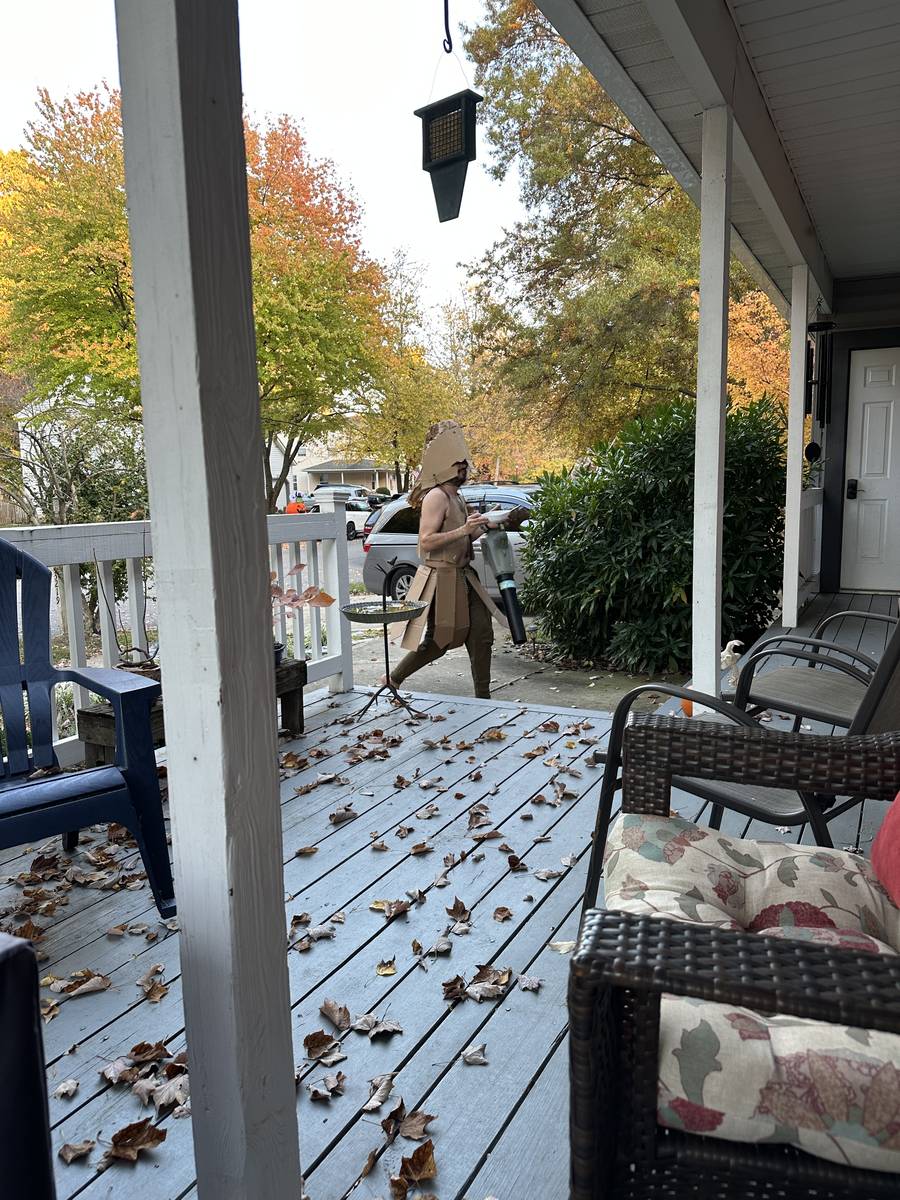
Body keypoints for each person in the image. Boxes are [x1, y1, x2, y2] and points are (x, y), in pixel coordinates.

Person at [386, 420, 507, 699]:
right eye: (458, 463)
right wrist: (464, 529)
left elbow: (463, 537)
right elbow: (426, 541)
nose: (464, 468)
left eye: (465, 463)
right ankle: (393, 678)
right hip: (441, 579)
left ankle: (483, 697)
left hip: (465, 576)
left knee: (482, 635)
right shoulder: (436, 497)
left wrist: (486, 525)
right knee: (439, 641)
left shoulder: (458, 497)